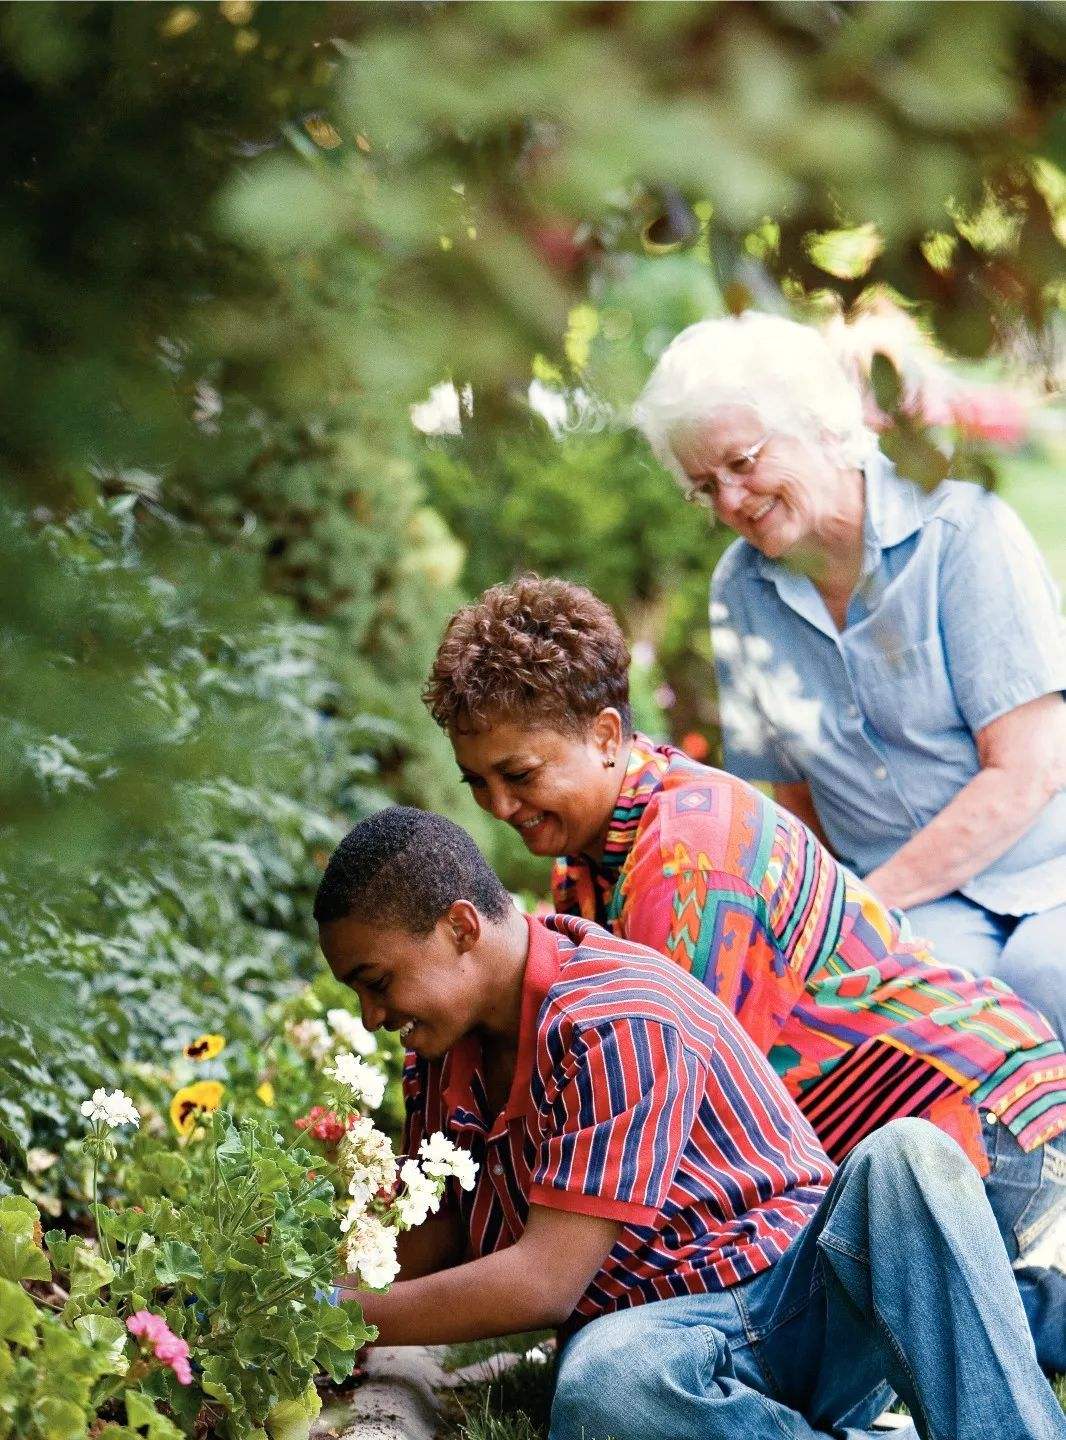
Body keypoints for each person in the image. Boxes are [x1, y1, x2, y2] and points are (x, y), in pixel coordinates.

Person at [422, 575, 1066, 1372]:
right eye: (477, 782)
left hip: (971, 1124)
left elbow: (661, 1137)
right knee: (840, 1307)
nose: (500, 805)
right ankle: (1011, 1304)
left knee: (878, 1318)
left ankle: (1031, 1311)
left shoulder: (688, 868)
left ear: (605, 734)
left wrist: (535, 1284)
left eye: (518, 775)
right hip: (882, 1134)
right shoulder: (594, 854)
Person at [314, 805, 1066, 1440]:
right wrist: (299, 1315)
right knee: (606, 1389)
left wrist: (344, 1317)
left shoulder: (613, 1014)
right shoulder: (442, 1051)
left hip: (794, 1299)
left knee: (910, 1156)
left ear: (460, 927)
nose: (372, 1016)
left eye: (376, 983)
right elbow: (435, 1230)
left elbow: (543, 1283)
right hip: (658, 1338)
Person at [631, 310, 1066, 1040]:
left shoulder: (959, 529)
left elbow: (1027, 769)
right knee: (917, 1023)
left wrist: (862, 906)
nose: (731, 502)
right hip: (914, 912)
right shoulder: (739, 591)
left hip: (1044, 870)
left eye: (743, 463)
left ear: (819, 422)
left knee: (1041, 979)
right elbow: (792, 800)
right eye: (706, 486)